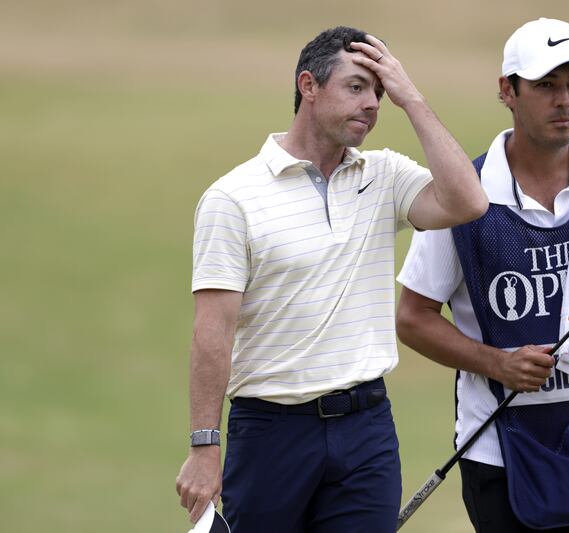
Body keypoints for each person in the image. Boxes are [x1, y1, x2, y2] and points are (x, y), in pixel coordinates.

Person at [175, 26, 488, 533]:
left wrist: (412, 99)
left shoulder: (383, 175)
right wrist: (204, 446)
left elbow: (468, 201)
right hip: (271, 432)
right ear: (308, 85)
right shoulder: (232, 198)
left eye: (381, 92)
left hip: (366, 428)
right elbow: (213, 332)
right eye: (357, 86)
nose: (372, 104)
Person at [396, 18, 569, 533]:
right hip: (500, 448)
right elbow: (412, 318)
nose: (564, 101)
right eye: (546, 86)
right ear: (508, 91)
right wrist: (496, 364)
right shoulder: (466, 194)